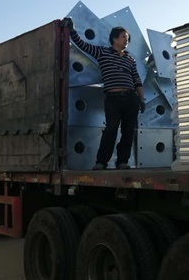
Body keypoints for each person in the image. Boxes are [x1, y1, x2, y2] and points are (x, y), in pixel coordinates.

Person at [62, 17, 145, 170]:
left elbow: (137, 79)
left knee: (128, 131)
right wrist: (72, 30)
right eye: (124, 37)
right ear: (114, 38)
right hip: (113, 99)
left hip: (131, 99)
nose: (126, 40)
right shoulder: (102, 52)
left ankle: (122, 162)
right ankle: (101, 162)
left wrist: (141, 98)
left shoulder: (130, 59)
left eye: (127, 38)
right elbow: (83, 45)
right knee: (111, 129)